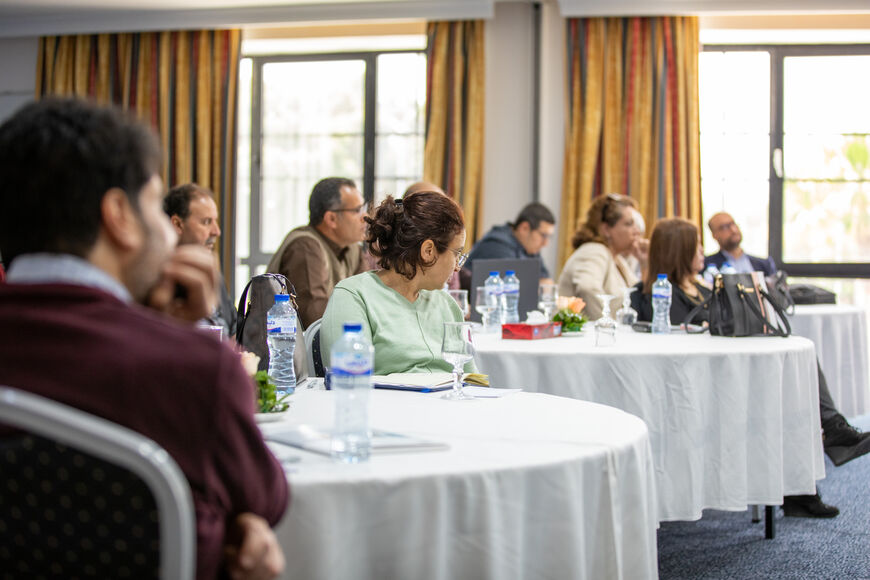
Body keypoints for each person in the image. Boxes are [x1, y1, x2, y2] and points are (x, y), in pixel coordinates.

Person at [0, 98, 288, 579]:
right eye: (156, 203)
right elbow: (267, 497)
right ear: (119, 214)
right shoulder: (192, 371)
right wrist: (175, 339)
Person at [632, 217, 870, 518]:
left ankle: (820, 450)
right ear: (679, 252)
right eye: (697, 246)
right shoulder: (657, 293)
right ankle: (819, 454)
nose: (704, 252)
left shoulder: (700, 286)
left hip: (732, 373)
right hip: (706, 387)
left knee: (799, 360)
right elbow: (686, 338)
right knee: (782, 397)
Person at [320, 191, 475, 375]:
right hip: (388, 402)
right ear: (428, 251)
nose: (457, 267)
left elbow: (472, 380)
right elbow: (348, 380)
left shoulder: (446, 304)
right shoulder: (354, 297)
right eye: (456, 254)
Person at [267, 177, 367, 329]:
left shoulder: (353, 249)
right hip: (283, 347)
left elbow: (368, 303)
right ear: (331, 218)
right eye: (357, 211)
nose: (365, 217)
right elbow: (315, 317)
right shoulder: (305, 247)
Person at [164, 182, 238, 338]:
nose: (216, 231)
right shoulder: (159, 280)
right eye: (206, 222)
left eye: (215, 221)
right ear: (177, 224)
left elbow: (233, 334)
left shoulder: (211, 273)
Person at [558, 193, 641, 320]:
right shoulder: (594, 250)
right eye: (629, 224)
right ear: (606, 229)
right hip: (589, 336)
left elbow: (638, 296)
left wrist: (645, 262)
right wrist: (607, 325)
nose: (637, 231)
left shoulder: (617, 259)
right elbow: (587, 288)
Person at [463, 202, 556, 285]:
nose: (546, 243)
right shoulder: (497, 244)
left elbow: (547, 282)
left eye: (549, 237)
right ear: (524, 228)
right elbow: (518, 286)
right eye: (543, 235)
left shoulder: (531, 249)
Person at [705, 212, 776, 275]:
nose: (733, 230)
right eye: (725, 227)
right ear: (714, 235)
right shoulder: (707, 266)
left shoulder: (764, 265)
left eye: (733, 224)